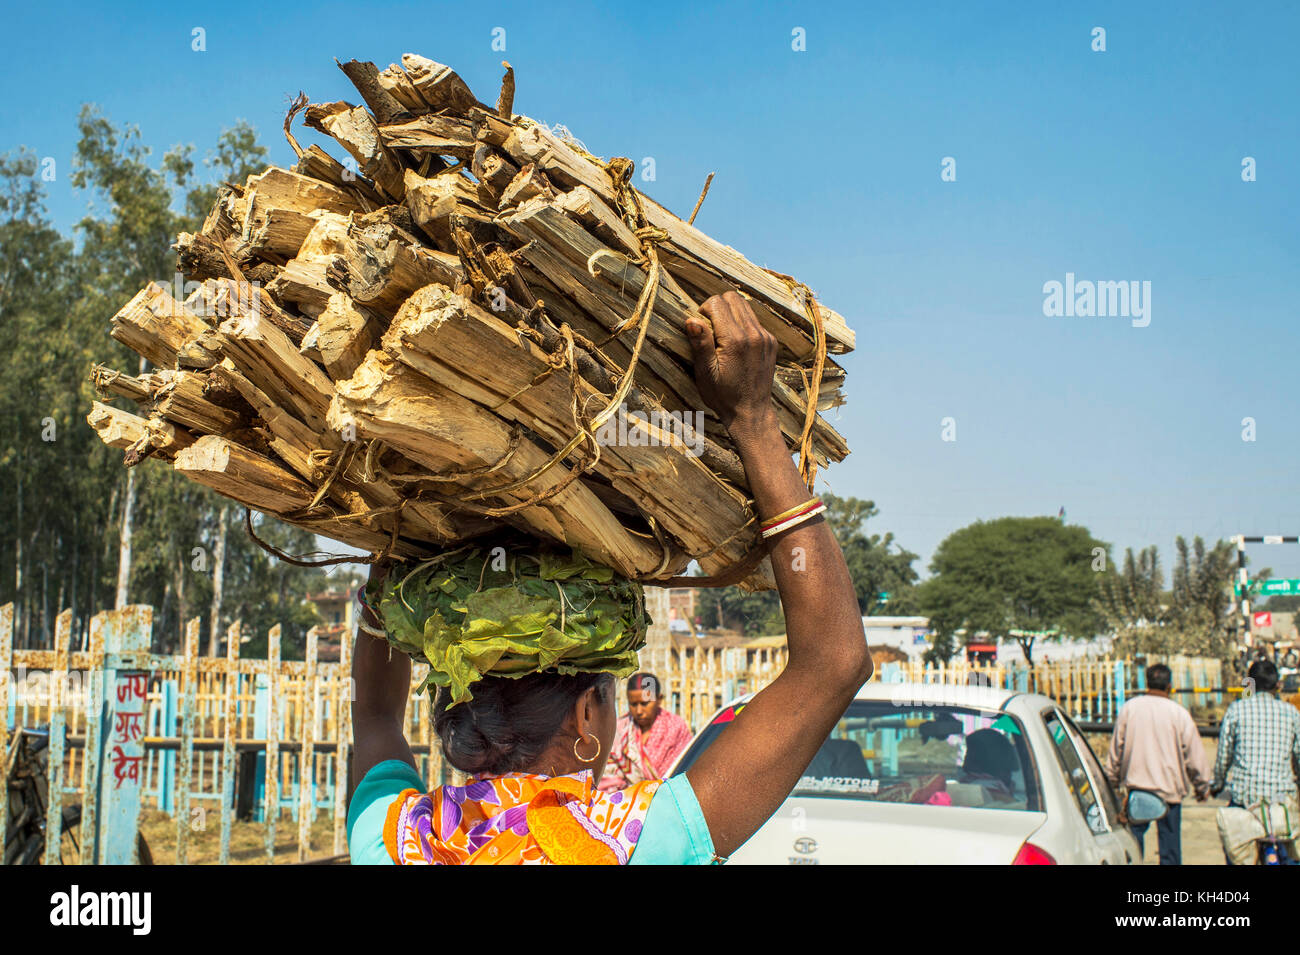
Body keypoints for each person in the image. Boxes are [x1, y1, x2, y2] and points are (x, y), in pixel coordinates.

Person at [345, 291, 873, 865]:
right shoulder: (632, 840)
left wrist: (397, 513)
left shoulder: (397, 838)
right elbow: (834, 663)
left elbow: (375, 714)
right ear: (587, 717)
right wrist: (752, 417)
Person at [1104, 664, 1210, 865]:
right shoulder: (1178, 713)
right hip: (1169, 792)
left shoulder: (1130, 709)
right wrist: (1202, 786)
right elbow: (1194, 756)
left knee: (1134, 847)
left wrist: (1112, 781)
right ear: (1170, 685)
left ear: (1147, 682)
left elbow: (1116, 749)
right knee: (1169, 851)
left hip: (1137, 791)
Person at [1211, 659, 1300, 862]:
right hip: (1282, 800)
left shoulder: (1236, 710)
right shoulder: (1291, 713)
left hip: (1244, 799)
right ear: (1278, 685)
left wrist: (1217, 784)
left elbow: (1224, 756)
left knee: (1236, 853)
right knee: (1291, 853)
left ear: (1249, 683)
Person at [598, 673, 694, 792]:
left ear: (659, 700)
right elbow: (608, 775)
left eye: (644, 704)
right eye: (633, 704)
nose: (639, 711)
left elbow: (686, 768)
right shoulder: (619, 730)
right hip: (625, 803)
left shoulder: (675, 728)